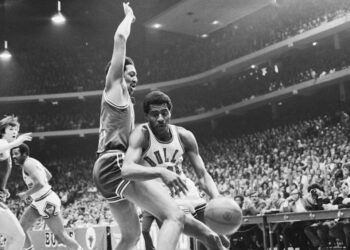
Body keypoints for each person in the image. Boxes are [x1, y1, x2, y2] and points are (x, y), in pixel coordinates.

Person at [92, 3, 189, 250]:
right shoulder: (115, 87)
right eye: (132, 73)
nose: (136, 78)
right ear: (119, 72)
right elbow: (120, 37)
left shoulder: (125, 102)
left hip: (106, 169)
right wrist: (129, 17)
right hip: (113, 164)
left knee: (131, 237)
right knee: (173, 216)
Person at [122, 90, 231, 250]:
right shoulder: (141, 135)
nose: (160, 118)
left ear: (170, 113)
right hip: (160, 196)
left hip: (187, 190)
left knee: (223, 242)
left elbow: (202, 174)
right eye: (154, 114)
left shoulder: (184, 135)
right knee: (211, 239)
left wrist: (216, 196)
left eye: (164, 113)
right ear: (146, 116)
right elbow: (126, 169)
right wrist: (161, 172)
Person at [12, 143, 83, 250]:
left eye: (16, 154)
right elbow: (48, 176)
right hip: (39, 200)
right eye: (12, 154)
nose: (13, 157)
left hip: (47, 201)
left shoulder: (27, 164)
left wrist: (26, 193)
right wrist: (34, 192)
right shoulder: (33, 161)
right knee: (20, 229)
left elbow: (40, 183)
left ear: (24, 154)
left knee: (61, 237)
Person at [0, 115, 31, 250]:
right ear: (3, 131)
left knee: (15, 237)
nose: (14, 132)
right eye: (11, 128)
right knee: (18, 237)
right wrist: (16, 143)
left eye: (16, 129)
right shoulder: (3, 143)